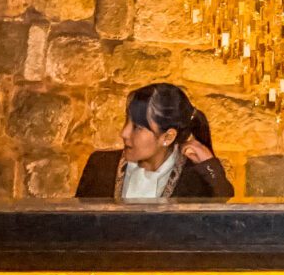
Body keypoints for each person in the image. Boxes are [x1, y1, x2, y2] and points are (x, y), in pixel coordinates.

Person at [73, 82, 234, 201]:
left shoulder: (193, 177)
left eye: (137, 127)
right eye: (126, 121)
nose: (124, 133)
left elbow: (224, 207)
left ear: (167, 137)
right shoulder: (101, 166)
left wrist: (210, 166)